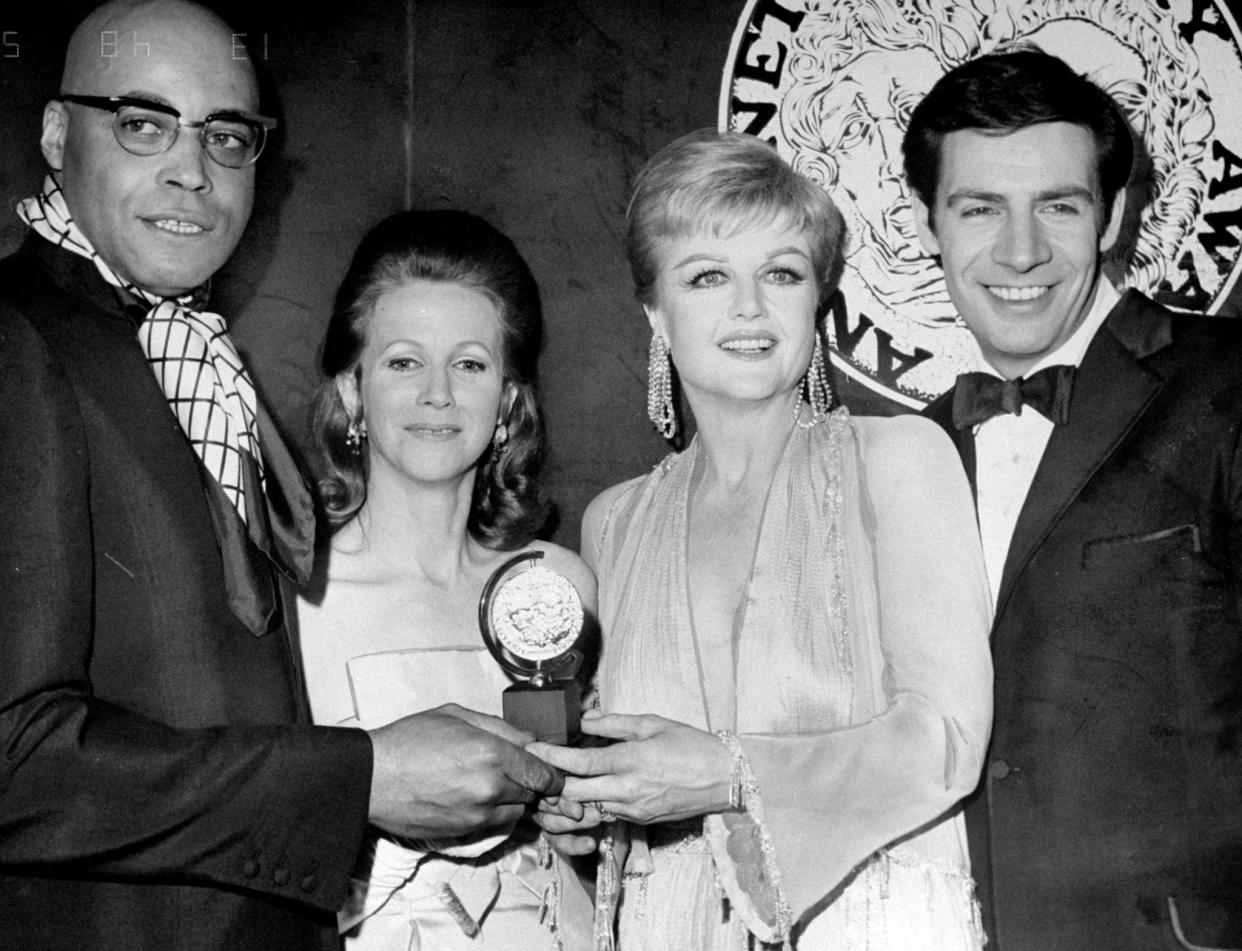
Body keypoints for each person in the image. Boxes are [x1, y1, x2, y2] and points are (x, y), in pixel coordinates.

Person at [0, 3, 561, 949]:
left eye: (227, 136)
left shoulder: (183, 353)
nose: (192, 169)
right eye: (143, 123)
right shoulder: (17, 340)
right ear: (57, 135)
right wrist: (363, 777)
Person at [533, 129, 994, 948]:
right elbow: (639, 783)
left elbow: (948, 740)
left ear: (815, 300)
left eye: (780, 273)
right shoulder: (614, 522)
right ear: (655, 311)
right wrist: (588, 809)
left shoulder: (900, 461)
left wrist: (727, 773)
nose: (749, 307)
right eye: (708, 276)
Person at [906, 48, 1242, 950]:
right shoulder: (905, 453)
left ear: (1113, 214)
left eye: (1058, 205)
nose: (1021, 251)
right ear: (928, 221)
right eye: (980, 208)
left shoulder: (1228, 385)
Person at [297, 209, 595, 950]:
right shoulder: (290, 596)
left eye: (469, 363)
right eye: (403, 361)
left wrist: (591, 822)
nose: (438, 393)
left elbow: (599, 832)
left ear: (508, 400)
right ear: (353, 387)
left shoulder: (559, 588)